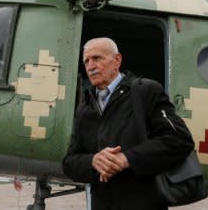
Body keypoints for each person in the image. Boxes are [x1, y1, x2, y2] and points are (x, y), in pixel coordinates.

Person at [62, 37, 195, 210]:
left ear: (117, 60)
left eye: (97, 58)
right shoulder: (84, 109)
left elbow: (180, 140)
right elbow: (69, 163)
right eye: (86, 61)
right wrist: (93, 161)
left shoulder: (145, 91)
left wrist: (126, 159)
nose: (90, 66)